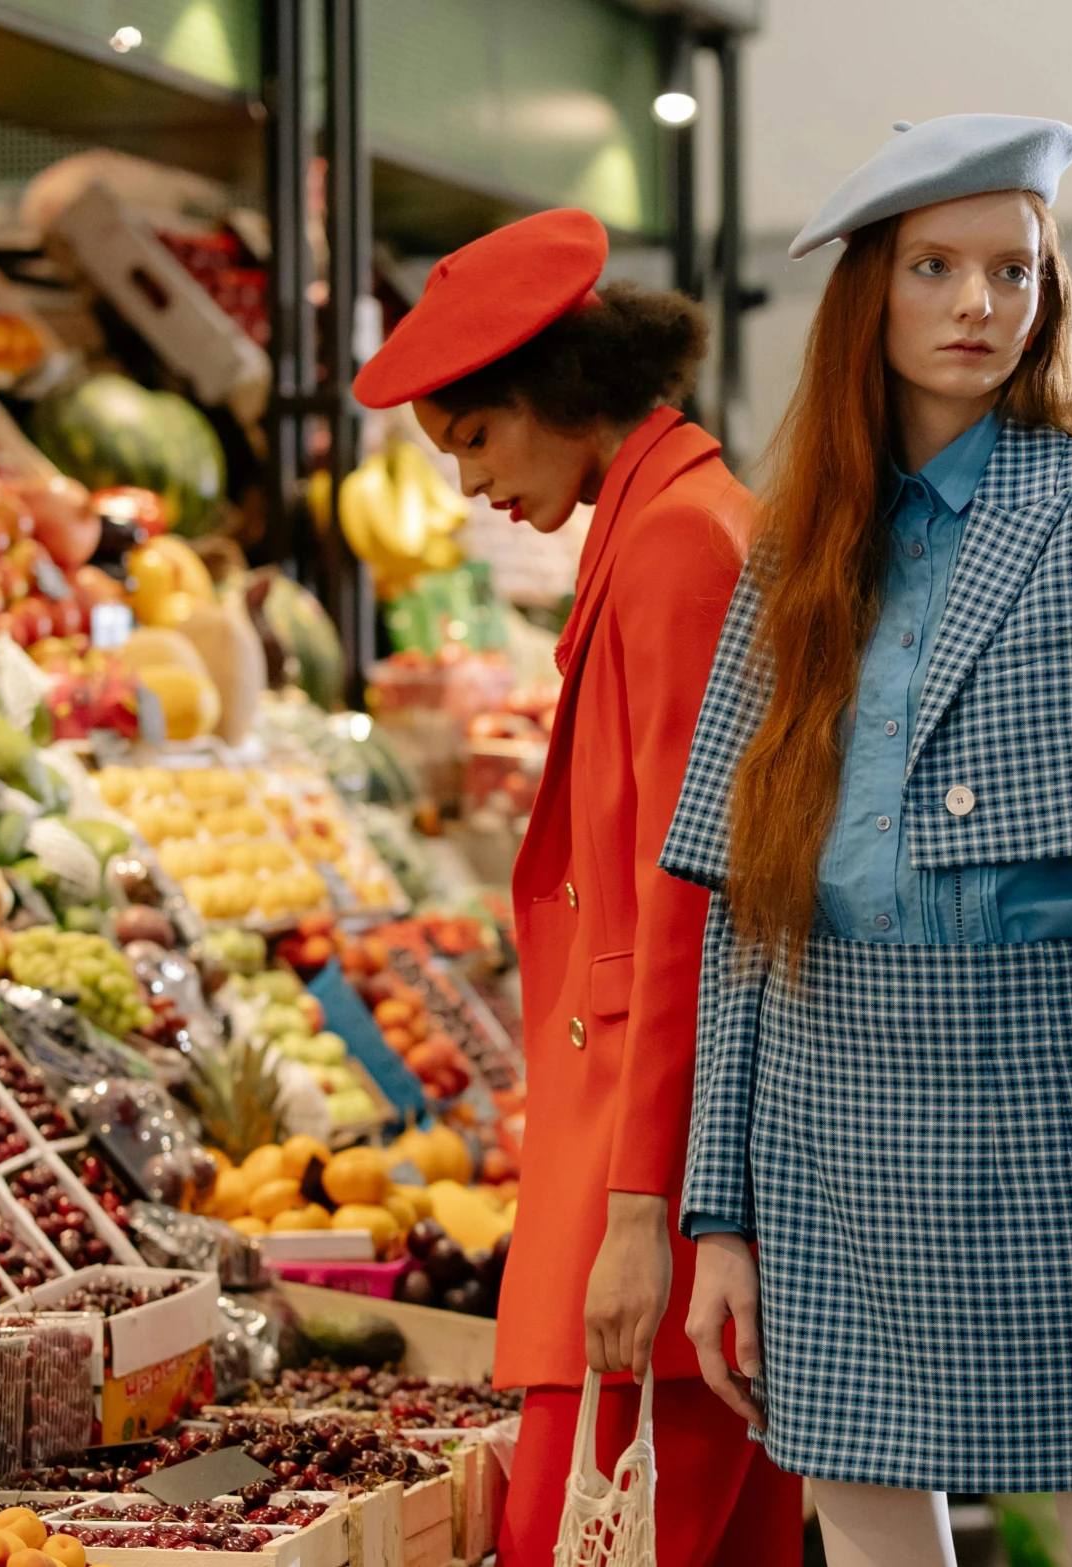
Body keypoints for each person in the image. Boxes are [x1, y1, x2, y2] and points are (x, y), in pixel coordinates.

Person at [658, 116, 1072, 1567]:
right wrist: (716, 1215)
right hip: (820, 1111)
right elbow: (748, 918)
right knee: (865, 1541)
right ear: (871, 289)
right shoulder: (792, 552)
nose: (978, 304)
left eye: (1013, 271)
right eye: (934, 267)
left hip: (1045, 1101)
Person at [353, 209, 805, 1567]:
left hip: (644, 1155)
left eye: (475, 437)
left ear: (558, 395)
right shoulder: (687, 517)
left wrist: (637, 1220)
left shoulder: (674, 545)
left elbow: (686, 902)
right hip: (667, 1149)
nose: (469, 482)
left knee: (583, 1530)